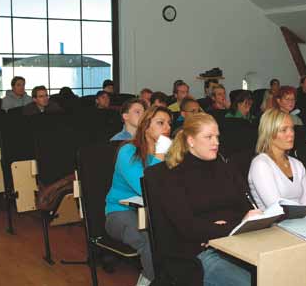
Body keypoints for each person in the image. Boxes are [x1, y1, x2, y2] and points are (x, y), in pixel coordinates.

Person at [144, 113, 258, 286]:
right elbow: (187, 228)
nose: (216, 142)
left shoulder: (225, 166)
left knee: (279, 272)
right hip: (196, 254)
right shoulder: (170, 175)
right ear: (190, 140)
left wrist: (219, 228)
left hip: (234, 244)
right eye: (209, 137)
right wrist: (228, 226)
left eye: (217, 137)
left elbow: (246, 209)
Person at [105, 106, 172, 286]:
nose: (167, 128)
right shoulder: (128, 151)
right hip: (120, 212)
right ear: (145, 126)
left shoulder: (169, 153)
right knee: (149, 241)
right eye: (160, 123)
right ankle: (154, 281)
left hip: (156, 212)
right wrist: (160, 155)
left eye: (168, 123)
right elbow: (147, 187)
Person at [248, 108, 306, 211]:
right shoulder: (261, 164)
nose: (291, 134)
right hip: (276, 225)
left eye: (292, 128)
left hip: (300, 221)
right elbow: (276, 208)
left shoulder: (297, 164)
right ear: (269, 133)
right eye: (284, 130)